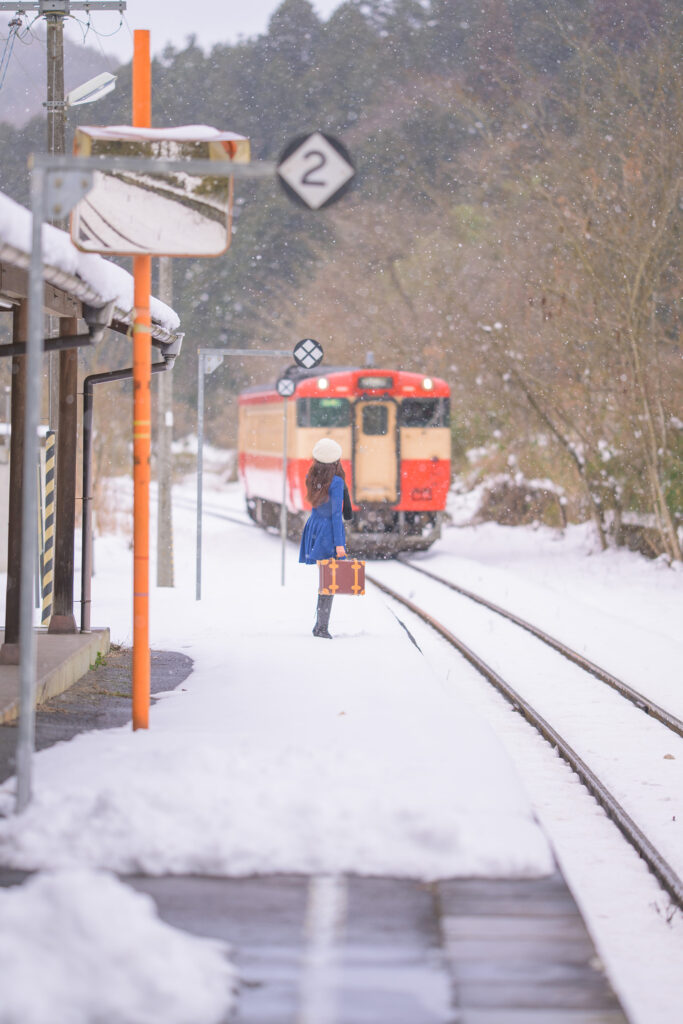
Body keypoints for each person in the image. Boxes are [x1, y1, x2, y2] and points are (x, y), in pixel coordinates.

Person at [299, 437, 347, 638]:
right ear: (336, 460)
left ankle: (320, 625)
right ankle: (321, 628)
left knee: (326, 580)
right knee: (329, 582)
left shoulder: (311, 476)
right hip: (328, 531)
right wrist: (340, 545)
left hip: (315, 526)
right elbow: (336, 515)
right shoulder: (336, 482)